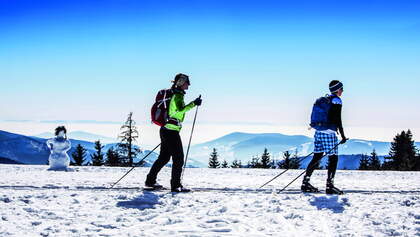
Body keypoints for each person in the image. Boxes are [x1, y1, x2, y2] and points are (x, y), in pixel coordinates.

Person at [145, 73, 202, 192]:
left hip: (166, 129)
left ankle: (150, 181)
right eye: (187, 82)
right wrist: (194, 104)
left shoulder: (173, 94)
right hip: (171, 131)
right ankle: (175, 185)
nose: (189, 85)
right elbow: (179, 111)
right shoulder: (177, 95)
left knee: (164, 157)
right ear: (181, 82)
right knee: (178, 158)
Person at [301, 80, 348, 194]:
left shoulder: (324, 100)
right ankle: (330, 185)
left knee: (317, 156)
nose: (342, 91)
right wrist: (342, 135)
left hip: (318, 131)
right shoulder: (336, 100)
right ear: (337, 89)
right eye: (341, 89)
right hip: (329, 132)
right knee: (333, 158)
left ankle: (305, 182)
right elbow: (338, 119)